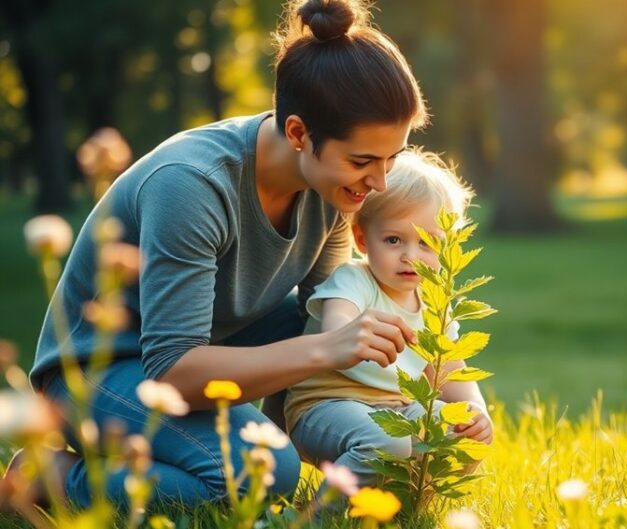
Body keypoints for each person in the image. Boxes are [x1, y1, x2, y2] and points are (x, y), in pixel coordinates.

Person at [8, 0, 428, 508]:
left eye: (391, 158)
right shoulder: (193, 185)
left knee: (314, 329)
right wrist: (327, 349)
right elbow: (173, 369)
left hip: (207, 347)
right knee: (264, 473)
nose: (379, 182)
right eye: (363, 161)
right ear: (298, 133)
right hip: (102, 369)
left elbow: (324, 317)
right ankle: (47, 477)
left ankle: (202, 457)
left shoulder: (333, 189)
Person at [284, 149, 494, 495]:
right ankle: (317, 519)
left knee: (461, 433)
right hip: (326, 406)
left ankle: (405, 505)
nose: (411, 256)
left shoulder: (435, 305)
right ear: (362, 239)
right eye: (394, 240)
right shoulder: (354, 280)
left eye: (427, 243)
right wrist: (358, 332)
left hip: (399, 407)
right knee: (389, 443)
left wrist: (476, 412)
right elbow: (337, 330)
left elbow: (451, 372)